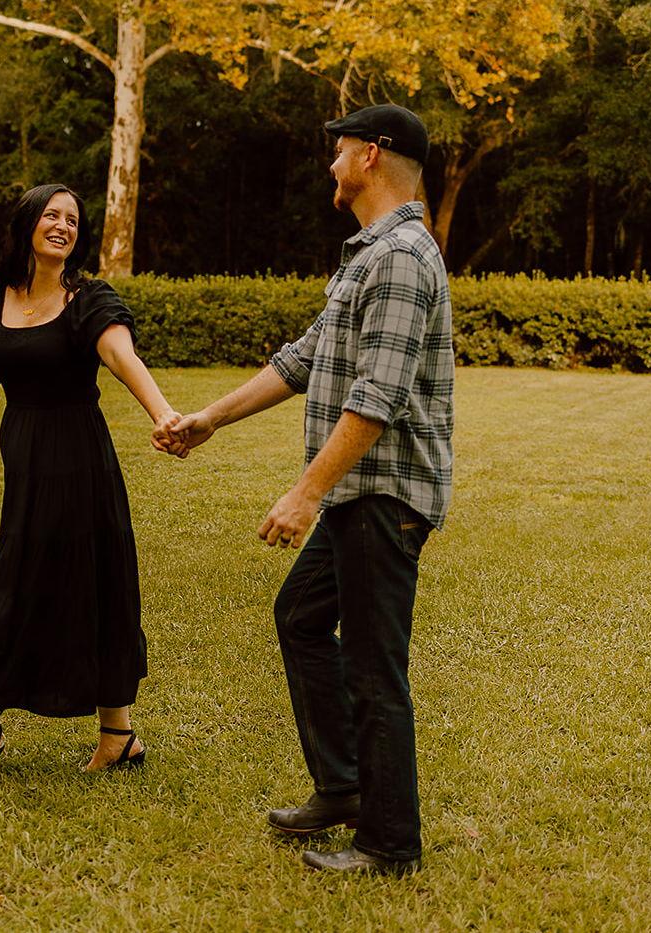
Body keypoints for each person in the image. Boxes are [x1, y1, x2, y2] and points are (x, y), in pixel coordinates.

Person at [156, 104, 453, 875]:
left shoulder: (400, 257)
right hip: (359, 493)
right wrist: (210, 419)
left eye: (340, 150)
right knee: (301, 615)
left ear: (371, 156)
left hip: (382, 494)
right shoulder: (369, 254)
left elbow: (378, 395)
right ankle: (342, 786)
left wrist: (305, 491)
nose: (331, 164)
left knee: (373, 668)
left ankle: (389, 843)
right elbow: (304, 357)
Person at [0, 183, 179, 780]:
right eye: (52, 215)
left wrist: (164, 415)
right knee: (7, 588)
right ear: (28, 224)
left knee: (94, 585)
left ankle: (108, 735)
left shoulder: (88, 298)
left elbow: (121, 357)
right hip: (25, 464)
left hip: (80, 464)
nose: (63, 226)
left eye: (73, 219)